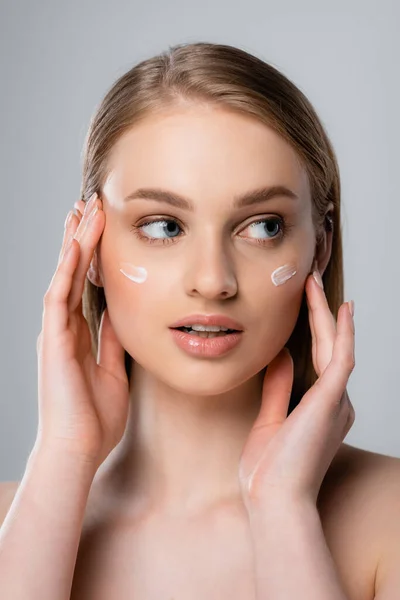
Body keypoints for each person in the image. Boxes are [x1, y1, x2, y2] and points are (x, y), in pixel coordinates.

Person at [0, 41, 399, 599]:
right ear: (89, 245)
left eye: (263, 226)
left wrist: (283, 508)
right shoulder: (12, 527)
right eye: (163, 226)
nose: (213, 280)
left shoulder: (391, 523)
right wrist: (64, 452)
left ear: (321, 247)